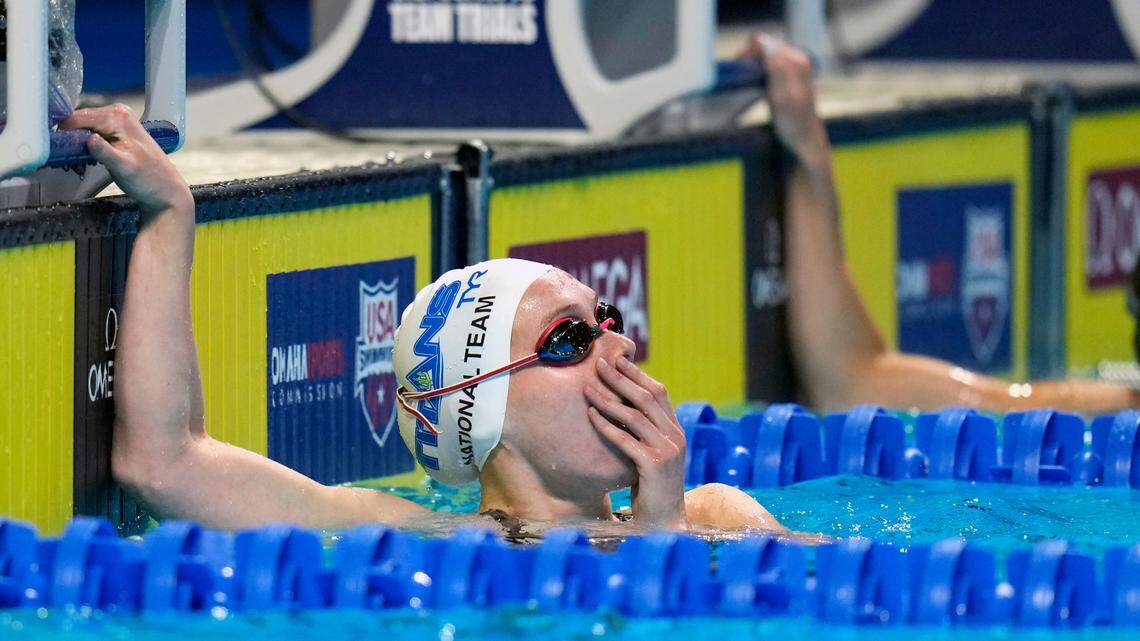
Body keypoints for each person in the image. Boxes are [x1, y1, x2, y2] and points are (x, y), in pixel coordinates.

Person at [91, 34, 1135, 534]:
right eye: (565, 342)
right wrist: (169, 214)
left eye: (605, 322)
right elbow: (163, 457)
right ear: (474, 412)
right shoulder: (402, 537)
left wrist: (665, 528)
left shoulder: (724, 516)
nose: (617, 350)